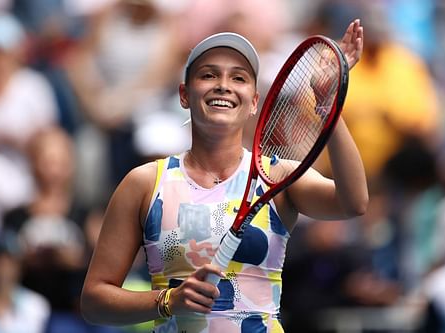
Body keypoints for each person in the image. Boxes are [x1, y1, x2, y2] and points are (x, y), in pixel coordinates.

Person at [81, 19, 368, 333]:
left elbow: (353, 202)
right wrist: (168, 301)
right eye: (208, 75)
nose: (223, 85)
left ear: (254, 102)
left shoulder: (278, 176)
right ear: (184, 95)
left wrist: (328, 103)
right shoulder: (144, 182)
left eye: (239, 78)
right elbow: (95, 301)